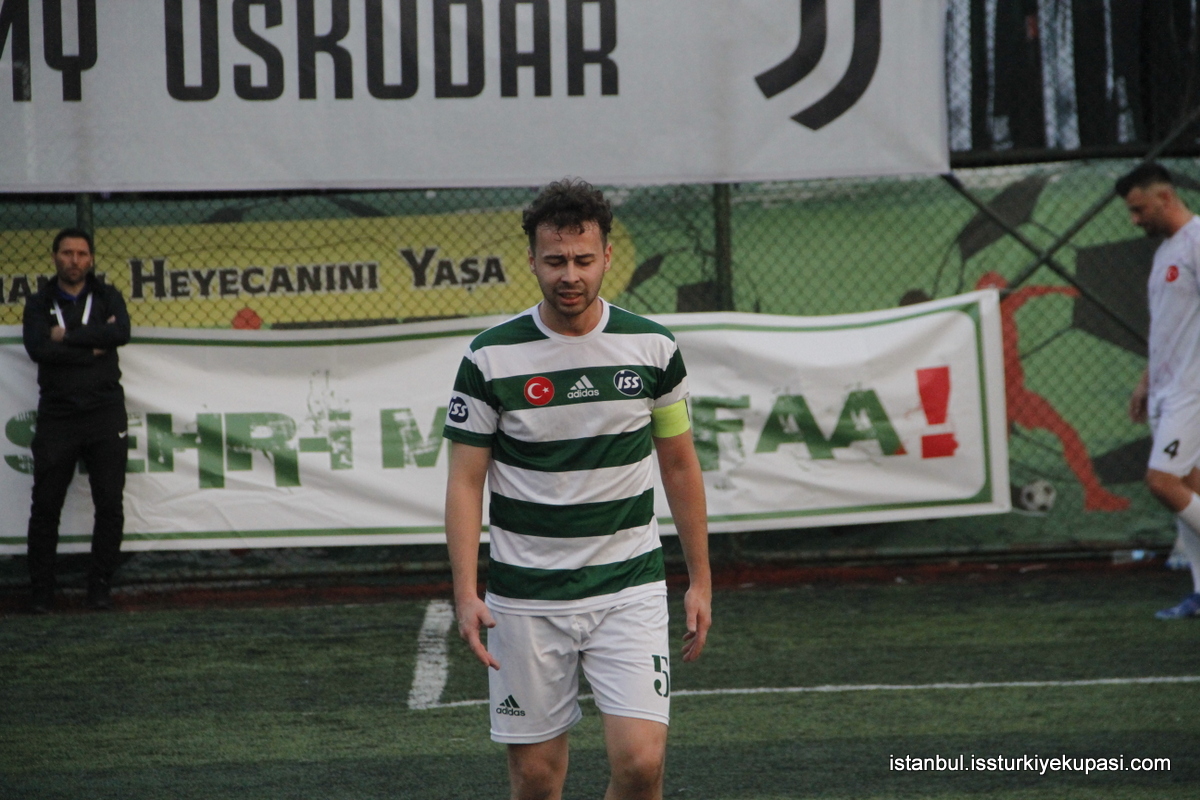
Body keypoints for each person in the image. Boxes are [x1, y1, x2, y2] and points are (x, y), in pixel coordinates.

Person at [442, 179, 712, 799]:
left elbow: (679, 465)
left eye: (583, 260)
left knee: (641, 765)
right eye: (555, 260)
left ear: (607, 257)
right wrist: (465, 591)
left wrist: (700, 579)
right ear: (532, 261)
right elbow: (465, 481)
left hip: (628, 588)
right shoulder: (488, 358)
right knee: (536, 781)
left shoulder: (654, 347)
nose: (570, 275)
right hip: (525, 597)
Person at [22, 228, 131, 613]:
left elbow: (121, 332)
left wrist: (64, 337)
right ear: (55, 256)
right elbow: (38, 348)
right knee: (45, 504)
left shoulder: (108, 296)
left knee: (110, 503)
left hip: (104, 412)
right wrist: (92, 347)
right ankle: (42, 592)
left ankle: (100, 587)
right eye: (67, 253)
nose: (74, 260)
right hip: (58, 415)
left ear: (91, 259)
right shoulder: (39, 302)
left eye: (82, 254)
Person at [1117, 163, 1200, 619]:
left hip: (1192, 392)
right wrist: (1146, 381)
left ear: (1165, 197)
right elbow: (1168, 328)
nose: (1135, 220)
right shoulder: (1166, 251)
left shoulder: (1197, 240)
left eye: (1139, 209)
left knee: (1162, 482)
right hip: (1167, 392)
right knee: (1189, 490)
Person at [974, 271, 1129, 512]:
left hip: (1015, 394)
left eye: (1002, 294)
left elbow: (1028, 291)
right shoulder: (972, 321)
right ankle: (982, 493)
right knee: (991, 452)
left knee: (1065, 432)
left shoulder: (1008, 307)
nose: (1000, 299)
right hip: (989, 397)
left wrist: (1065, 289)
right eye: (993, 295)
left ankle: (1094, 493)